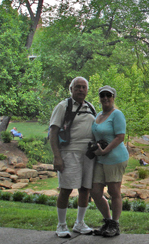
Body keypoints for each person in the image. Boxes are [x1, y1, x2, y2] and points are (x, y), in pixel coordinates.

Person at [49, 77, 96, 238]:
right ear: (71, 89)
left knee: (85, 190)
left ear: (87, 90)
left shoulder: (90, 107)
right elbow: (52, 133)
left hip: (88, 155)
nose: (81, 90)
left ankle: (79, 223)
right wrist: (57, 157)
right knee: (66, 189)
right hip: (69, 153)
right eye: (77, 87)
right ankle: (61, 225)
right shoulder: (63, 107)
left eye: (84, 87)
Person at [90, 85, 129, 237]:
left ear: (113, 98)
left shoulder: (117, 114)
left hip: (115, 158)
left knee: (114, 192)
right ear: (99, 98)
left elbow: (120, 137)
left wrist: (105, 150)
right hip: (100, 158)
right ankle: (107, 221)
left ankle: (115, 224)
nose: (105, 98)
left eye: (108, 95)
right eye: (102, 95)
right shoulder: (98, 115)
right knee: (95, 192)